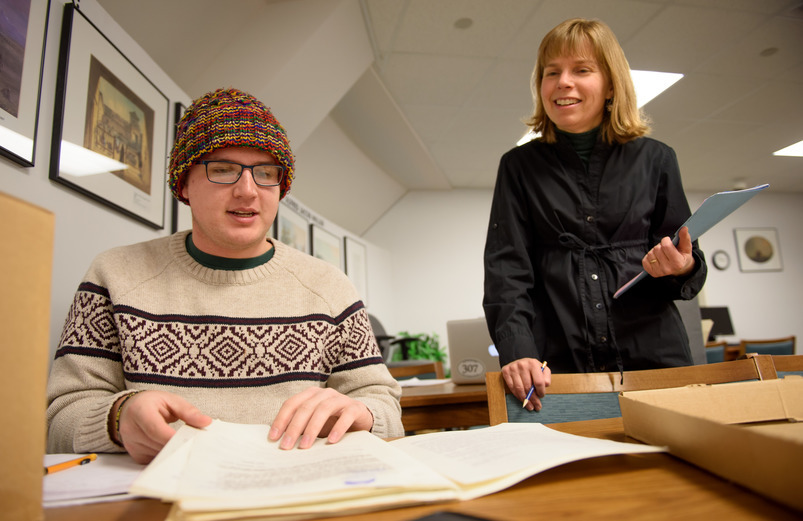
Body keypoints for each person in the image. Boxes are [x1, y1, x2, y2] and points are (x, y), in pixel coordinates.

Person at [46, 88, 404, 463]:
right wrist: (118, 418)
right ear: (183, 184)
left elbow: (385, 407)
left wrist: (362, 413)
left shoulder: (330, 286)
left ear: (280, 188)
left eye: (266, 173)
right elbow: (60, 419)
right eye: (222, 170)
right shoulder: (114, 276)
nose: (247, 191)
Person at [483, 18, 707, 411]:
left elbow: (688, 266)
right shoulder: (518, 166)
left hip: (654, 359)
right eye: (551, 72)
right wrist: (518, 349)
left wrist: (681, 266)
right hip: (559, 365)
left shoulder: (657, 159)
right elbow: (507, 271)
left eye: (581, 70)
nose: (562, 82)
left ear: (611, 84)